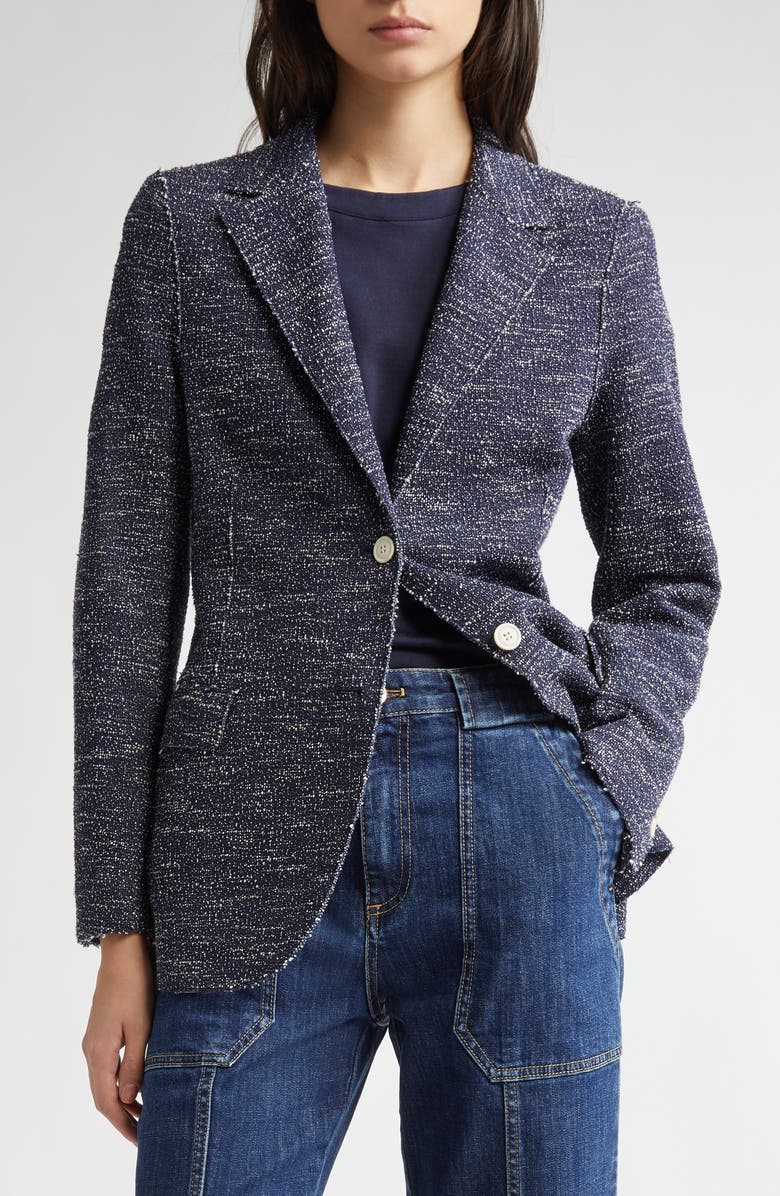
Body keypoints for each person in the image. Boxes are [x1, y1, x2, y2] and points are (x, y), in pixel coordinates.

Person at [73, 2, 721, 1192]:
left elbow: (667, 565)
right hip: (242, 819)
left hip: (519, 818)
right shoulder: (187, 225)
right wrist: (119, 924)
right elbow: (123, 589)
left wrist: (607, 785)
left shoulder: (594, 243)